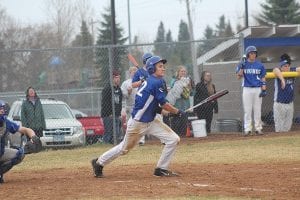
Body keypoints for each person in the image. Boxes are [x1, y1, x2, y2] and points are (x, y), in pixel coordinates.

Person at [91, 55, 186, 178]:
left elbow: (154, 105)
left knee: (173, 139)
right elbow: (164, 104)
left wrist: (169, 113)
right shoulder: (155, 82)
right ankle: (98, 163)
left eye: (163, 66)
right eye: (160, 66)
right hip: (138, 123)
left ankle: (161, 169)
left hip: (151, 121)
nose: (163, 69)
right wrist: (178, 112)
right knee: (123, 149)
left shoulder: (157, 81)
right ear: (152, 68)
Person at [0, 100, 41, 184]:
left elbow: (25, 130)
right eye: (0, 109)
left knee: (20, 154)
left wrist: (33, 137)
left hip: (1, 152)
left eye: (2, 109)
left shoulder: (6, 123)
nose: (2, 111)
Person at [236, 45, 267, 136]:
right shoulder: (243, 64)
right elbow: (238, 76)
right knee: (247, 110)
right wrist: (241, 67)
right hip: (247, 88)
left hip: (257, 88)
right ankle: (247, 129)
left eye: (254, 53)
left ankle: (258, 128)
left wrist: (264, 89)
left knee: (258, 110)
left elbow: (263, 78)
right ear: (248, 54)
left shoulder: (260, 65)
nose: (253, 55)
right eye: (251, 53)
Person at [272, 53, 300, 132]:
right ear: (281, 67)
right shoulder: (278, 71)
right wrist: (282, 79)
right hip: (279, 104)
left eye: (288, 66)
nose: (287, 68)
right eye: (285, 66)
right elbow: (275, 70)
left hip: (290, 104)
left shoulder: (292, 71)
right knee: (279, 128)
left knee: (287, 127)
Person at [131, 52, 152, 145]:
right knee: (141, 118)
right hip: (143, 98)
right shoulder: (139, 72)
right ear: (145, 61)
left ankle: (163, 138)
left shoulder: (153, 71)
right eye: (149, 59)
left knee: (158, 116)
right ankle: (141, 139)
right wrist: (141, 81)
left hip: (152, 97)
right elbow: (133, 85)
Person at [166, 66, 193, 136]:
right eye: (181, 71)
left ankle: (183, 136)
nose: (183, 72)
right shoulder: (174, 80)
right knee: (176, 122)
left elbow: (192, 93)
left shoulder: (188, 80)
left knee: (184, 122)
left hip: (185, 105)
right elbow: (172, 92)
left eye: (184, 71)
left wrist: (190, 86)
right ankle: (176, 136)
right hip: (177, 105)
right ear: (178, 72)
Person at [101, 69, 123, 144]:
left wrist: (119, 114)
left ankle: (115, 144)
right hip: (108, 115)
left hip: (116, 115)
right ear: (112, 78)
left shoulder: (119, 89)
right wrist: (109, 113)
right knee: (109, 132)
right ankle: (106, 144)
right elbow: (105, 103)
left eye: (119, 78)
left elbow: (119, 103)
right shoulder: (107, 88)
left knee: (117, 133)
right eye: (116, 78)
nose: (118, 79)